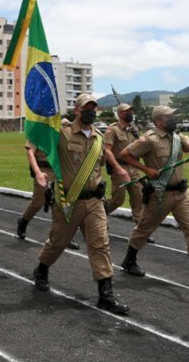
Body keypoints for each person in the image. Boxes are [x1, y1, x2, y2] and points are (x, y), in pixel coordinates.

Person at [31, 94, 130, 314]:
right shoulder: (62, 132)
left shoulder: (99, 138)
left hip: (94, 200)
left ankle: (106, 294)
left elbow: (99, 166)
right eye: (86, 108)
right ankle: (42, 268)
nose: (91, 112)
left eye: (93, 108)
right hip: (69, 201)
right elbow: (37, 141)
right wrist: (40, 173)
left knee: (100, 244)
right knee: (58, 242)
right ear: (76, 110)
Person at [118, 105, 189, 290]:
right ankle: (129, 260)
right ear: (158, 121)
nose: (174, 120)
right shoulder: (149, 140)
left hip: (181, 194)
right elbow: (125, 154)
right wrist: (146, 170)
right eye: (169, 117)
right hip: (160, 194)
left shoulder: (178, 138)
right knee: (144, 229)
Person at [103, 103, 139, 223]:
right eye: (126, 111)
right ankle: (97, 215)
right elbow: (107, 151)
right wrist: (118, 168)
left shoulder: (133, 130)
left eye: (130, 111)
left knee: (138, 197)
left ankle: (140, 230)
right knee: (118, 200)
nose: (130, 114)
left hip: (133, 168)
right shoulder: (112, 130)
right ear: (119, 114)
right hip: (119, 169)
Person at [16, 143, 55, 240]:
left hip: (57, 170)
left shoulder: (59, 131)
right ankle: (24, 220)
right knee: (39, 201)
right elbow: (30, 152)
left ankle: (64, 234)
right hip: (43, 170)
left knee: (62, 203)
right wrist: (37, 172)